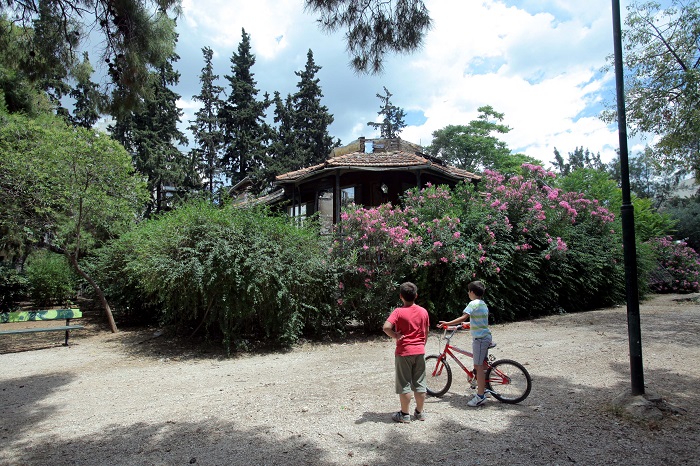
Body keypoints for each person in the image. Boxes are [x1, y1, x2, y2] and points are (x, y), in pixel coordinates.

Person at [438, 280, 492, 407]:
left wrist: (447, 323)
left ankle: (480, 397)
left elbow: (463, 317)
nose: (468, 293)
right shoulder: (483, 303)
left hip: (479, 339)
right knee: (482, 365)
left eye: (468, 291)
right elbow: (481, 320)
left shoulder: (472, 304)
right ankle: (484, 389)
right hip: (486, 337)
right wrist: (468, 324)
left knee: (478, 366)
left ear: (472, 292)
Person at [383, 282, 430, 423]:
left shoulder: (398, 312)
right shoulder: (423, 311)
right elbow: (426, 331)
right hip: (419, 351)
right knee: (420, 383)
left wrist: (396, 335)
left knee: (404, 383)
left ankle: (404, 414)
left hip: (404, 352)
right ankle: (420, 413)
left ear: (401, 296)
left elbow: (386, 327)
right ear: (416, 295)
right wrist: (421, 344)